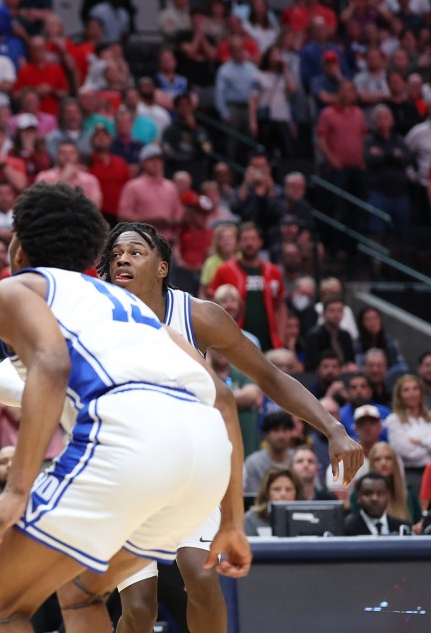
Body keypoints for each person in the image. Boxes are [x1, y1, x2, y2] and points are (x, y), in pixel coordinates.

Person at [0, 183, 251, 633]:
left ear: (18, 247)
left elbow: (52, 364)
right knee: (80, 593)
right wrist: (232, 522)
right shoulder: (125, 301)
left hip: (130, 445)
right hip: (204, 463)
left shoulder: (18, 289)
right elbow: (224, 398)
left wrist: (17, 492)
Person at [65, 221, 360, 631]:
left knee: (201, 577)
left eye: (135, 252)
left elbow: (270, 377)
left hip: (189, 468)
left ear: (162, 266)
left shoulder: (199, 315)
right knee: (138, 605)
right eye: (115, 255)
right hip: (128, 470)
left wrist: (334, 428)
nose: (122, 259)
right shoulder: (97, 318)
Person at [208, 222, 287, 352]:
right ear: (238, 243)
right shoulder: (224, 270)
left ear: (260, 242)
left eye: (253, 239)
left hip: (271, 342)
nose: (249, 243)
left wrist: (281, 337)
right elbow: (212, 303)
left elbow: (281, 306)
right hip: (235, 340)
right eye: (245, 239)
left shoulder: (274, 271)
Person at [385, 374, 431, 482]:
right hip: (410, 473)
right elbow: (406, 452)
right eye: (406, 390)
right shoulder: (393, 420)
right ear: (399, 395)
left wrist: (421, 442)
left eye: (415, 389)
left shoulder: (429, 417)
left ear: (421, 392)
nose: (412, 393)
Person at [243, 467, 303, 537]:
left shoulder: (307, 518)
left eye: (288, 489)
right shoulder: (251, 519)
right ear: (267, 493)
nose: (283, 494)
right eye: (277, 489)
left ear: (297, 492)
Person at [344, 473, 408, 536]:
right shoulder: (345, 527)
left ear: (388, 496)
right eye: (368, 493)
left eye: (380, 493)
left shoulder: (403, 528)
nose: (374, 498)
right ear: (358, 497)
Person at [303, 296, 356, 370]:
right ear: (323, 314)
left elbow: (351, 360)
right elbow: (311, 365)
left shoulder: (345, 335)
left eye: (339, 310)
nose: (336, 314)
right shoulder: (315, 336)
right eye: (332, 310)